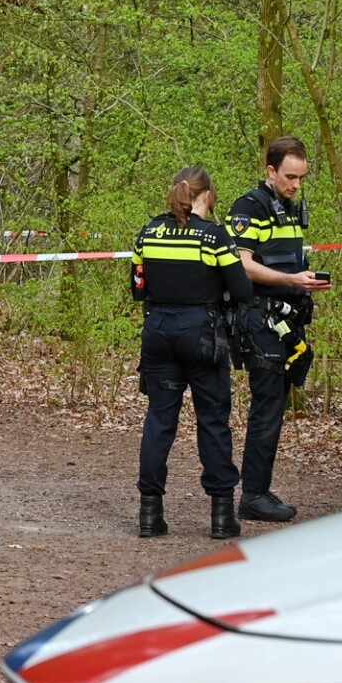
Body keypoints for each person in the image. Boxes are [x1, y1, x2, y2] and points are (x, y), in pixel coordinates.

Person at [131, 166, 255, 539]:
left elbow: (138, 287)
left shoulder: (148, 232)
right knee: (212, 421)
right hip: (201, 334)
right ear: (208, 196)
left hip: (158, 331)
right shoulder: (213, 237)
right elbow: (242, 289)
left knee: (159, 420)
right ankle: (221, 516)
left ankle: (149, 514)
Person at [228, 137, 332, 523]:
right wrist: (291, 280)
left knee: (276, 405)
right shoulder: (248, 207)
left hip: (287, 318)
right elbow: (241, 264)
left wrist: (303, 283)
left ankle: (259, 487)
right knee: (267, 406)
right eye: (290, 177)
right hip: (260, 318)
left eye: (302, 178)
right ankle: (252, 494)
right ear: (270, 171)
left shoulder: (289, 207)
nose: (296, 185)